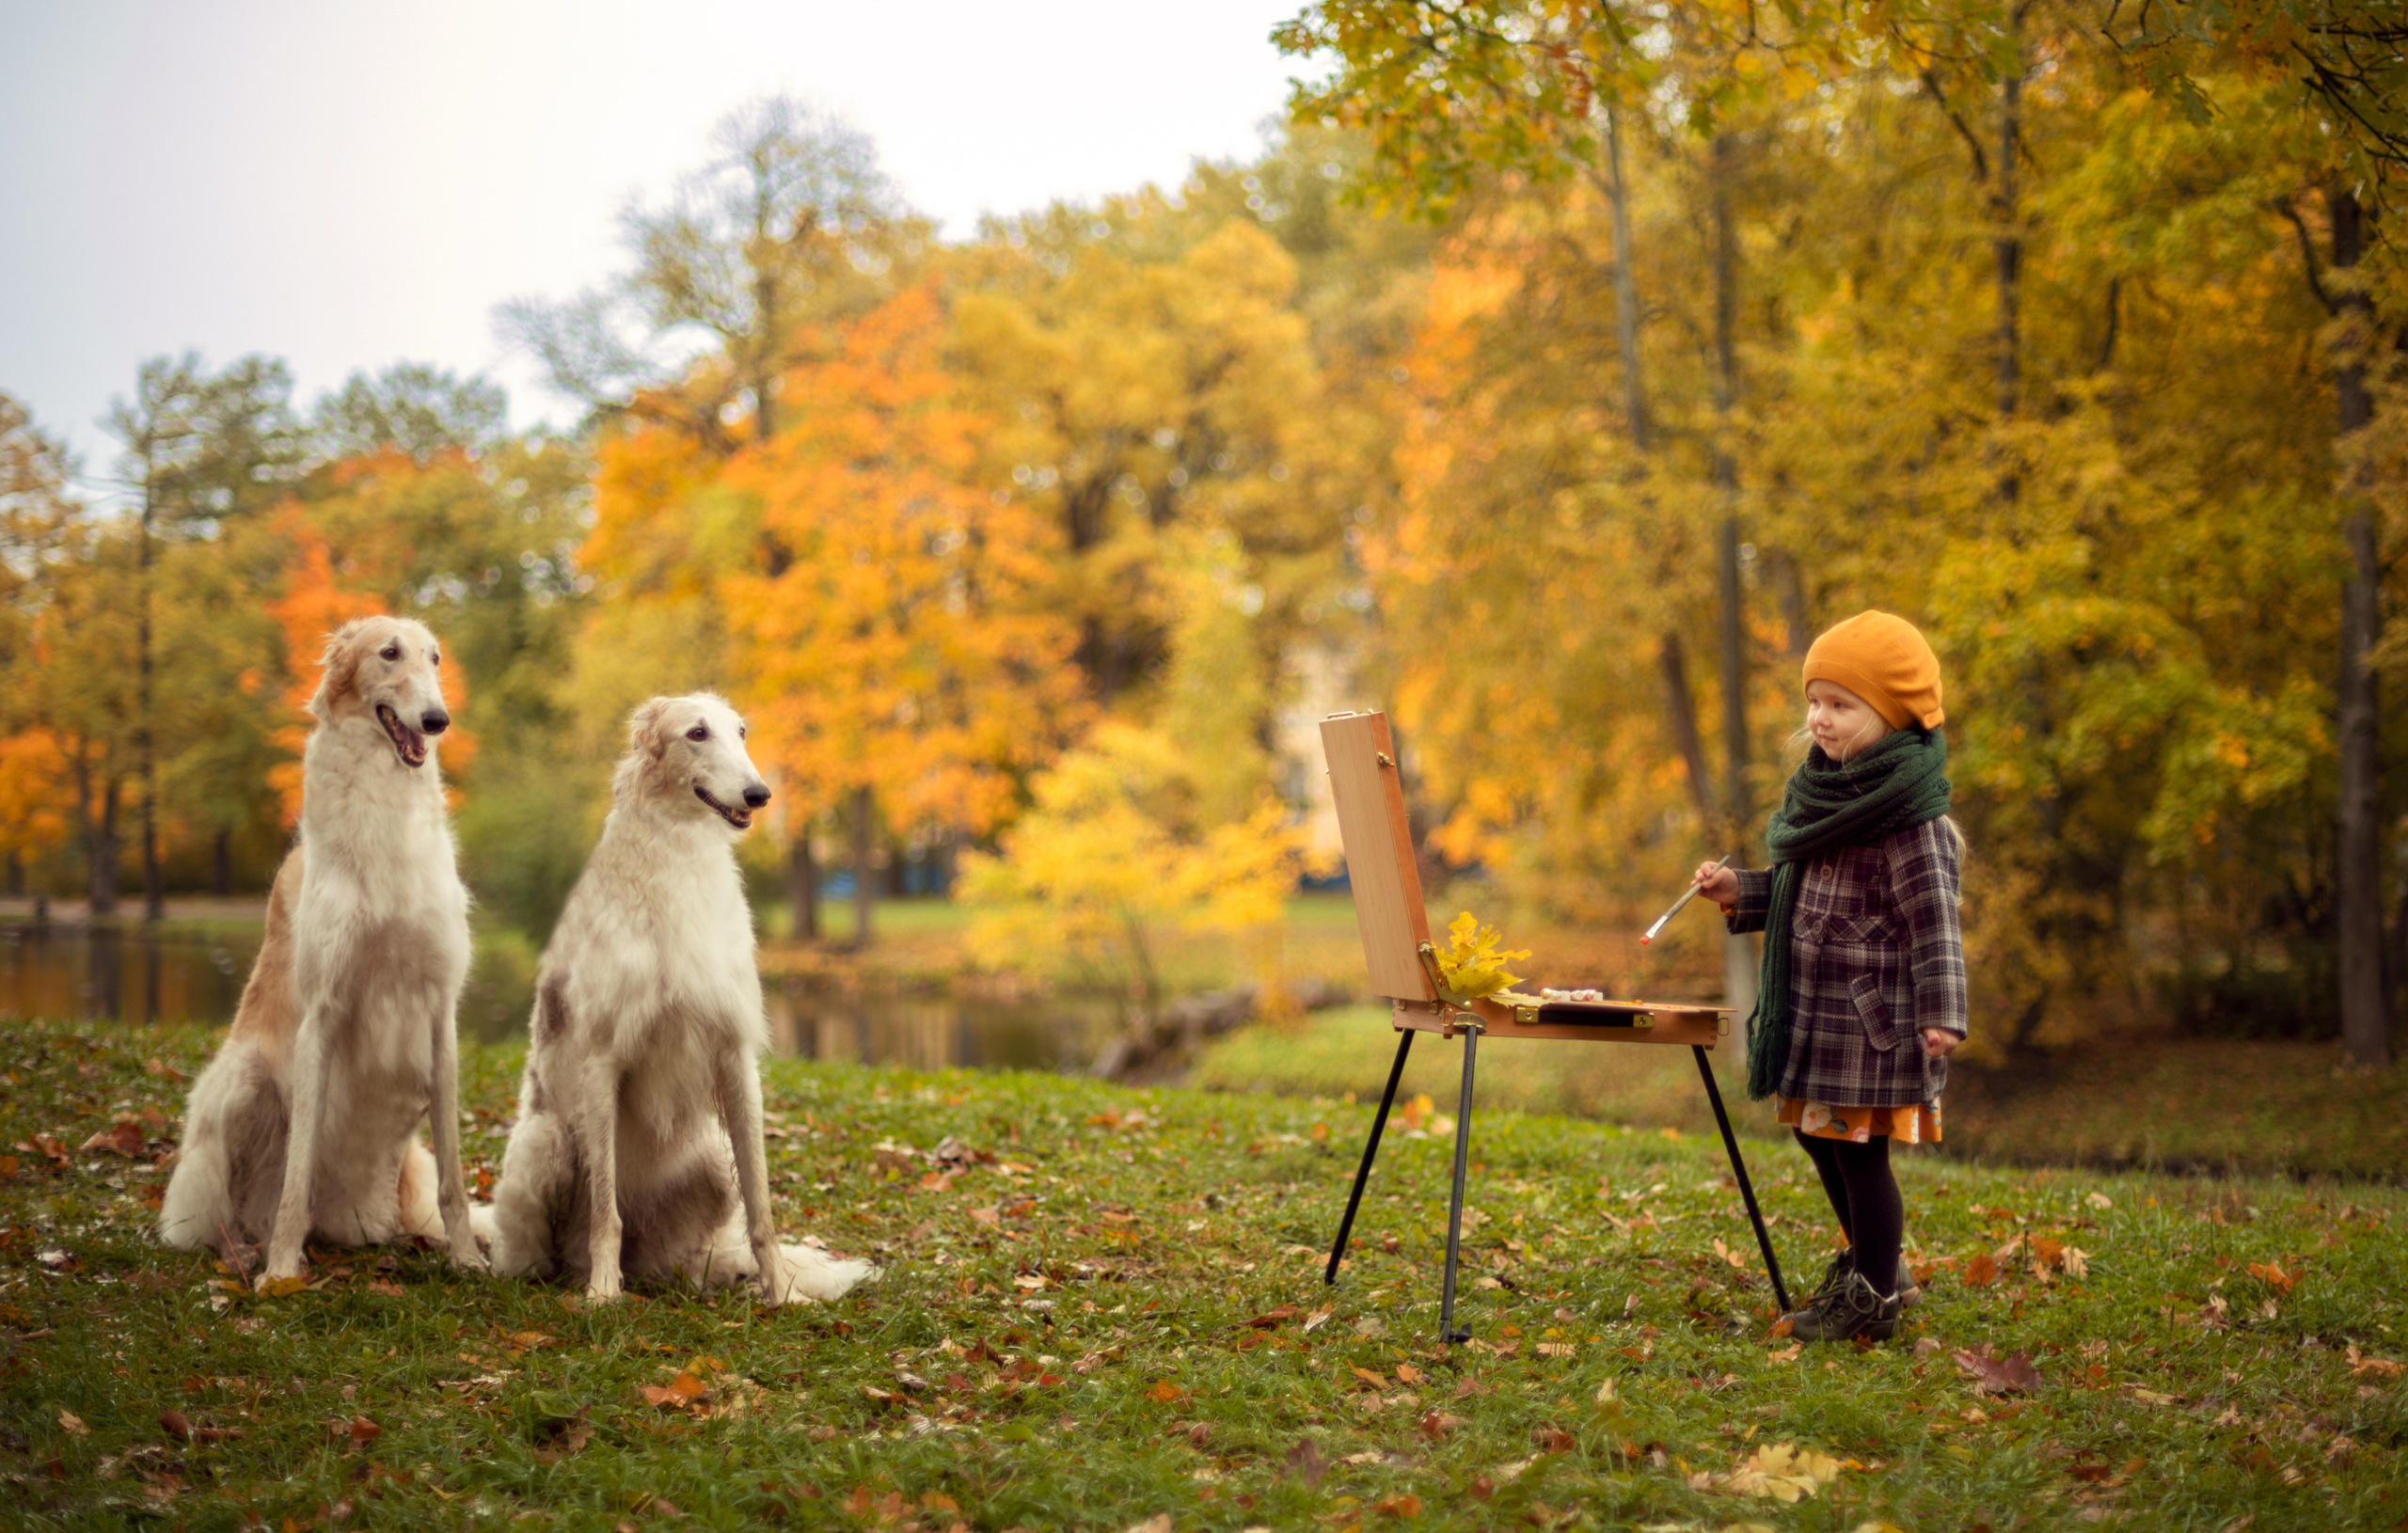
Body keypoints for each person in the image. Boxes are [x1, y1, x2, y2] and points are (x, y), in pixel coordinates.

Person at [1691, 610, 1965, 1343]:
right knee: (1819, 1138)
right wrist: (1739, 893)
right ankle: (1880, 1267)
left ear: (1893, 715)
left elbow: (1935, 923)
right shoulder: (1825, 795)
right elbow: (1795, 896)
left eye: (1841, 705)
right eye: (1814, 701)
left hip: (1872, 1024)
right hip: (1821, 1015)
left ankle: (1874, 1293)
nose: (1819, 718)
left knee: (1857, 1151)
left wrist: (1943, 1011)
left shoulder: (1910, 819)